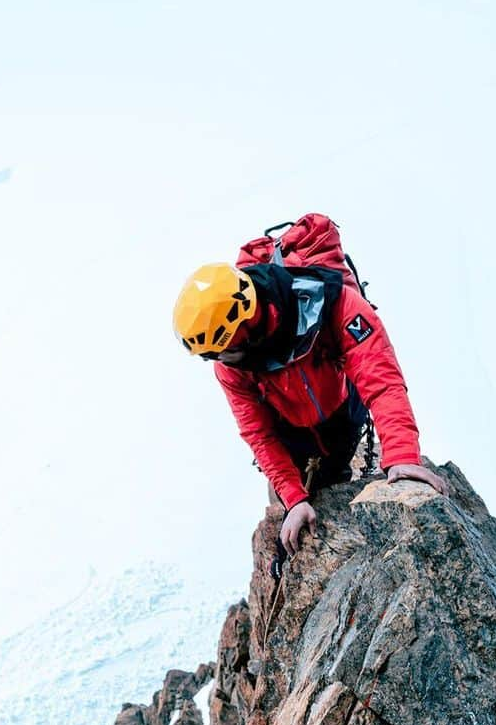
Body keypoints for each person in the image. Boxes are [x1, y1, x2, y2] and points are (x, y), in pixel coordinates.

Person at [172, 214, 449, 559]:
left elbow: (381, 380)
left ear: (244, 320)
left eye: (222, 347)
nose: (220, 359)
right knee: (292, 509)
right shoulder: (232, 365)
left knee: (337, 475)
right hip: (291, 432)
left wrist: (403, 455)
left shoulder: (333, 303)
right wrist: (293, 498)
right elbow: (258, 433)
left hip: (341, 415)